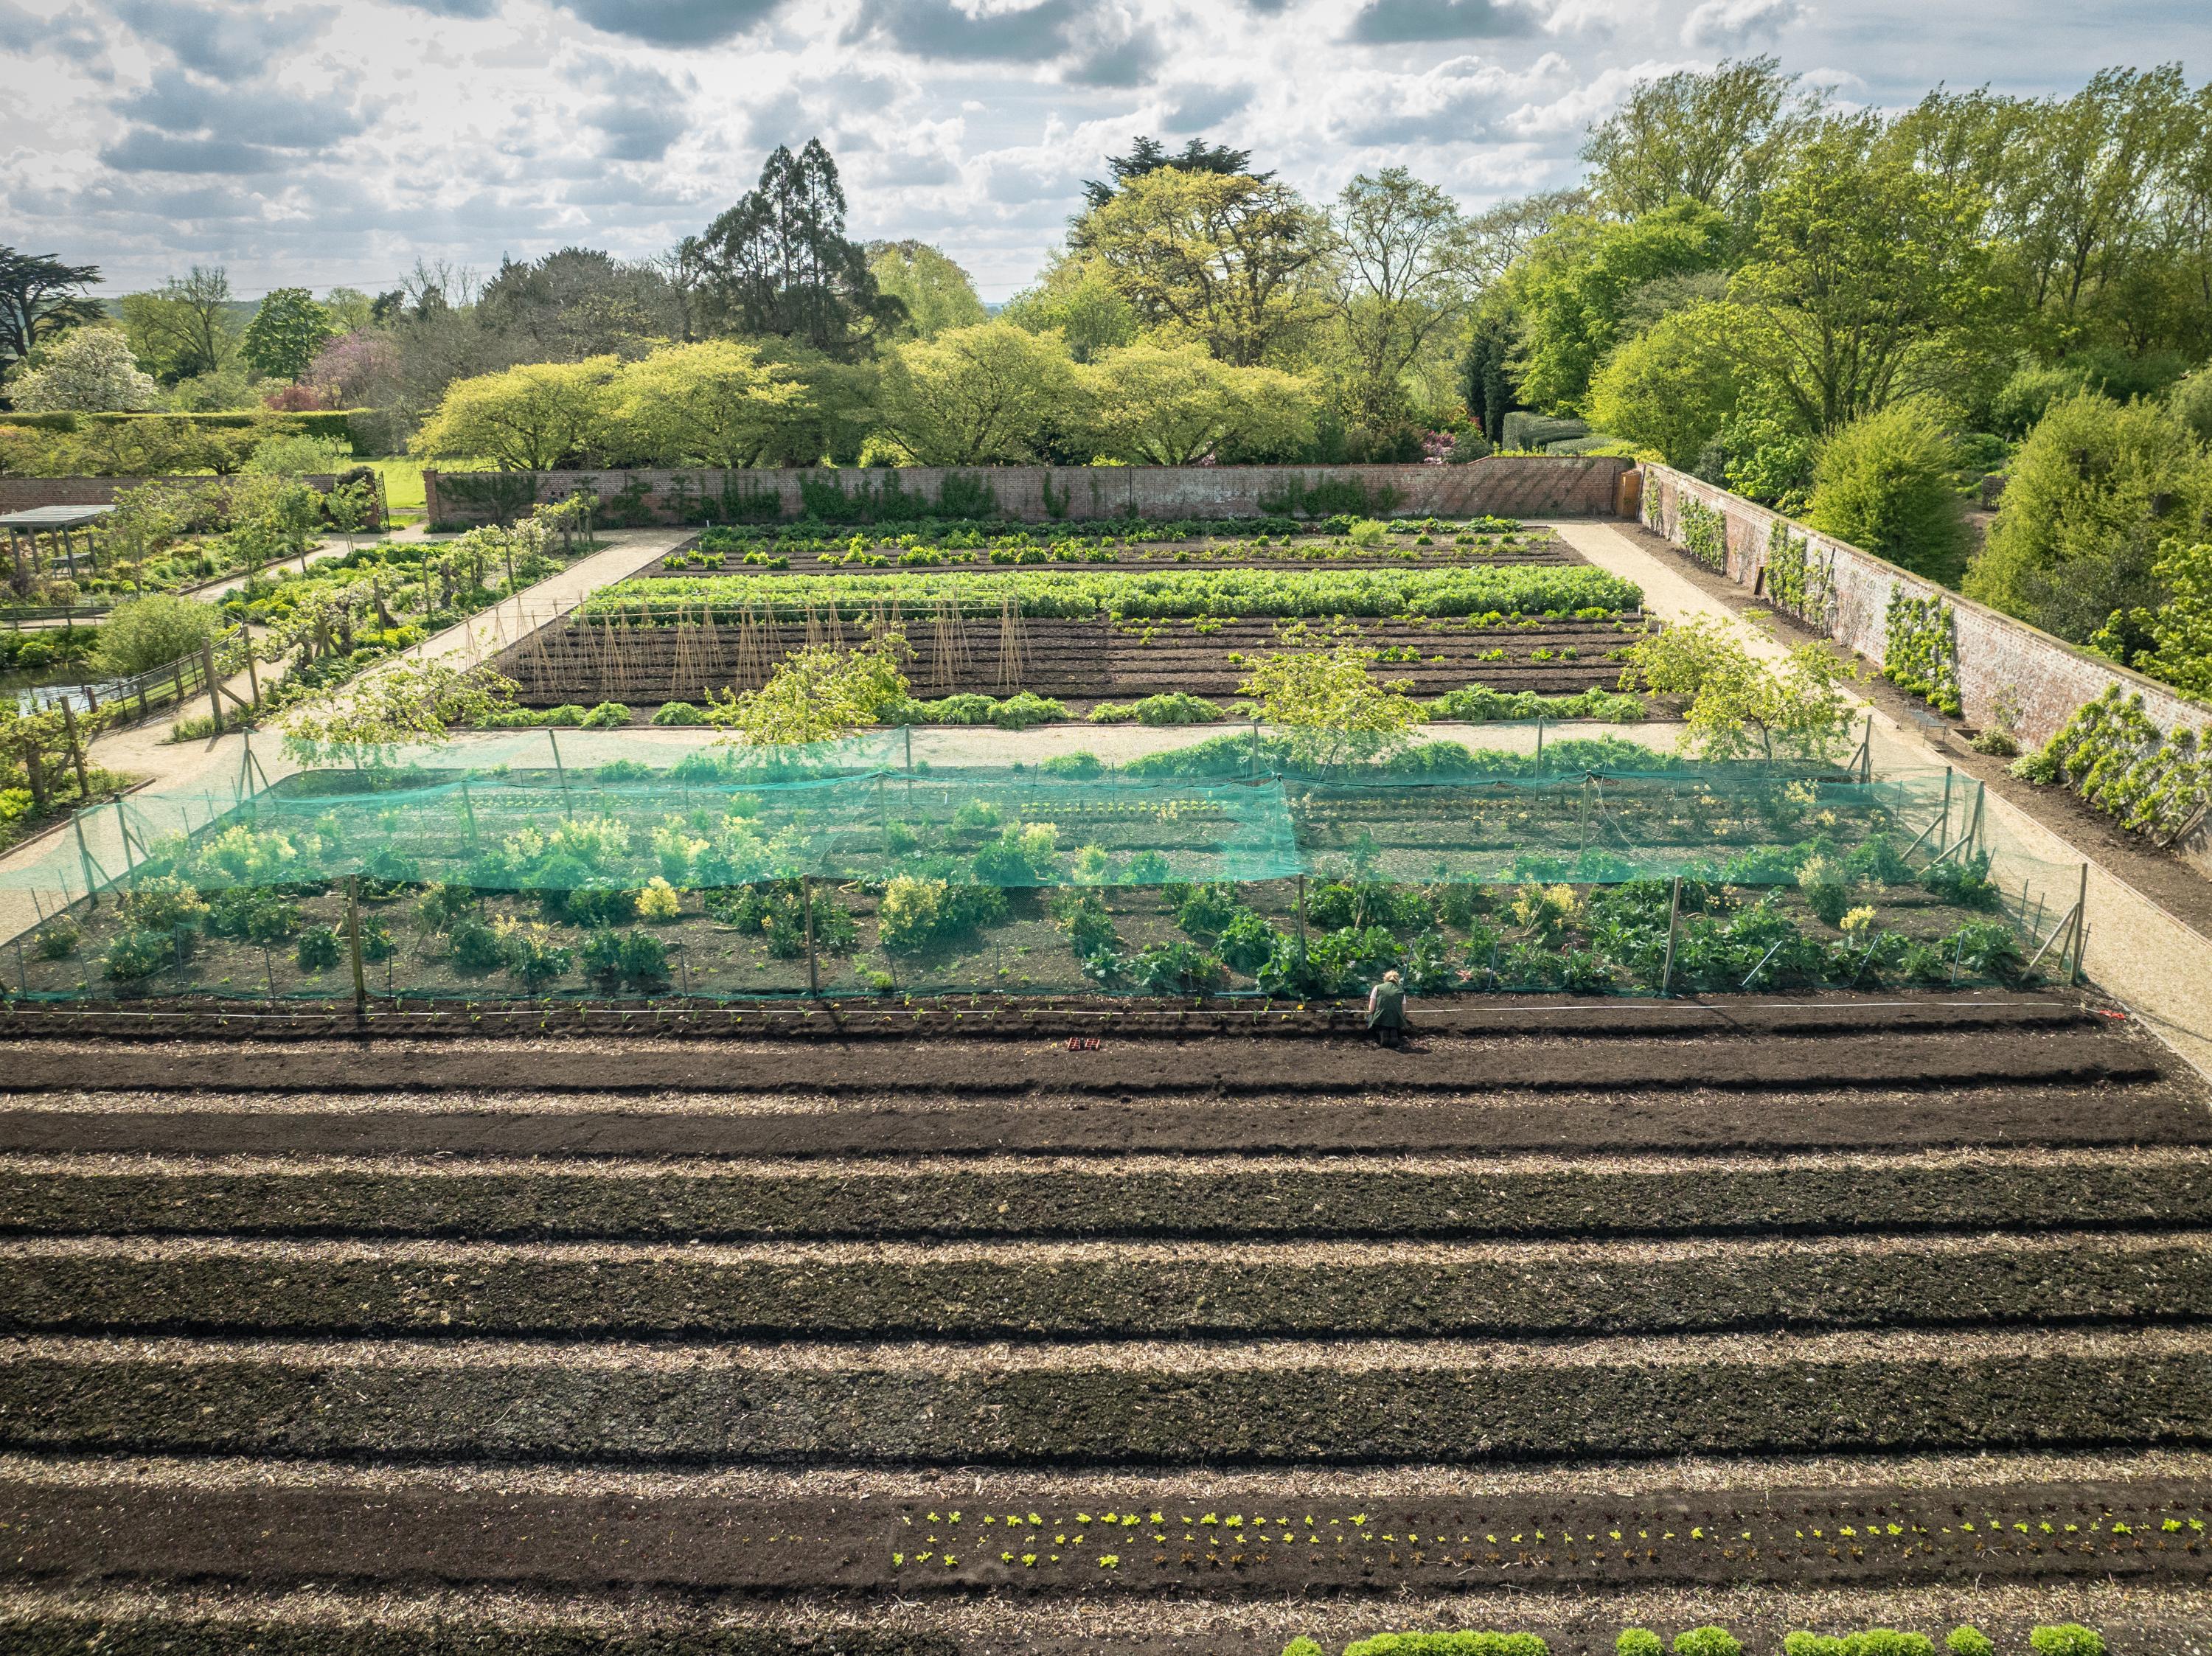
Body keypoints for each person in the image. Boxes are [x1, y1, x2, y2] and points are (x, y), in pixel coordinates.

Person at [1366, 968, 1410, 1048]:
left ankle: (1382, 1032)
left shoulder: (1377, 988)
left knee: (1369, 1017)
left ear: (1385, 979)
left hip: (1381, 1018)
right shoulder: (1401, 991)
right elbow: (1403, 1012)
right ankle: (1393, 1031)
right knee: (1393, 1019)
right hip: (1396, 1020)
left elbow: (1371, 1009)